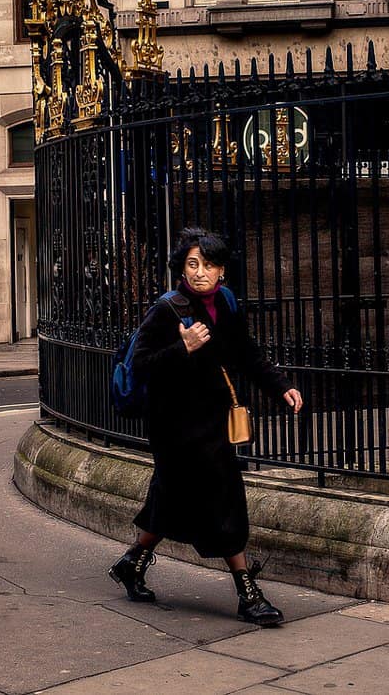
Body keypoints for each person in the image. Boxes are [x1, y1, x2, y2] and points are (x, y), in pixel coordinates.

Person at [108, 227, 303, 627]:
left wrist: (281, 386)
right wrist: (184, 348)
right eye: (192, 264)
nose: (200, 272)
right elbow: (141, 363)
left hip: (211, 419)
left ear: (222, 272)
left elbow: (245, 353)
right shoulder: (168, 309)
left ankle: (132, 563)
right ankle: (247, 593)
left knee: (173, 498)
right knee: (224, 498)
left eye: (209, 265)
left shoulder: (227, 303)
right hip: (173, 424)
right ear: (182, 268)